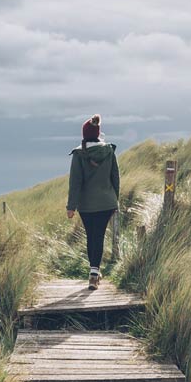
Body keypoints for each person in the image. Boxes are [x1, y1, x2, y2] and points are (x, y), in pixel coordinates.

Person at [65, 114, 120, 289]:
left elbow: (75, 182)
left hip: (87, 205)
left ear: (84, 135)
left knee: (92, 237)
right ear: (98, 133)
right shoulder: (109, 151)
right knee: (100, 236)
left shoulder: (79, 154)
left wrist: (71, 207)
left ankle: (93, 273)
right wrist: (115, 200)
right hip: (107, 203)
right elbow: (115, 178)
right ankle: (95, 274)